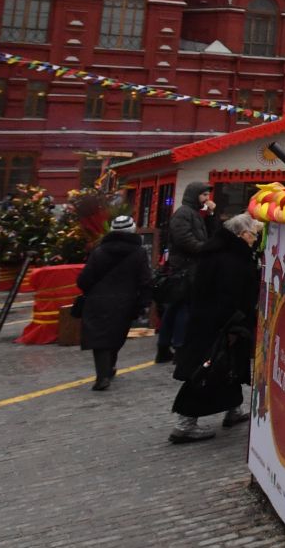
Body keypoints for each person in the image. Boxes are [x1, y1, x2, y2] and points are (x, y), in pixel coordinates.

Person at [169, 212, 260, 443]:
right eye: (253, 234)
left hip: (210, 322)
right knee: (207, 370)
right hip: (221, 325)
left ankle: (234, 410)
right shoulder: (231, 260)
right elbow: (231, 296)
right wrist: (233, 324)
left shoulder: (216, 253)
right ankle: (185, 423)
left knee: (229, 369)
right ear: (241, 234)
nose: (255, 239)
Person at [77, 214, 152, 392]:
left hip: (98, 300)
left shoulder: (99, 251)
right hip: (125, 301)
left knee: (99, 338)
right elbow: (145, 280)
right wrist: (144, 302)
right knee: (116, 336)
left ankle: (103, 374)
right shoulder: (139, 252)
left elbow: (84, 280)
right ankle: (108, 368)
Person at [156, 182, 216, 365]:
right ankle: (179, 346)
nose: (207, 199)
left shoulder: (195, 214)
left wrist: (211, 215)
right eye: (204, 195)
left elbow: (209, 234)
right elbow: (184, 239)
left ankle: (165, 346)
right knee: (183, 308)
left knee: (175, 308)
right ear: (194, 195)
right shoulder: (184, 213)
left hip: (189, 267)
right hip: (184, 269)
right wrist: (204, 249)